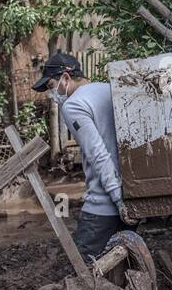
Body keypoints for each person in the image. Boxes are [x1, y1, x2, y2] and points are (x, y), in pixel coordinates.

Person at [31, 52, 130, 260]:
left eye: (50, 86)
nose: (51, 94)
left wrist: (118, 199)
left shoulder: (74, 105)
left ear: (66, 78)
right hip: (131, 196)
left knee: (85, 274)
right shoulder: (110, 90)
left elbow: (98, 154)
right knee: (121, 267)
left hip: (103, 206)